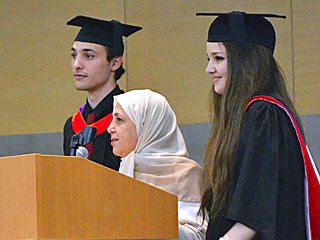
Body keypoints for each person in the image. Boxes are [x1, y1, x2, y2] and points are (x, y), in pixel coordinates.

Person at [196, 11, 320, 240]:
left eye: (219, 58)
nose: (209, 69)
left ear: (246, 61)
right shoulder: (247, 115)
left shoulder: (264, 114)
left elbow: (254, 209)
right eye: (209, 59)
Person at [107, 89, 208, 240]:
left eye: (119, 120)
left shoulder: (187, 173)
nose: (110, 128)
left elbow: (198, 236)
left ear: (146, 124)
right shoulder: (124, 168)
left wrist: (146, 217)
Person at [63, 15, 142, 170]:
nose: (77, 64)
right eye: (74, 55)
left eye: (88, 56)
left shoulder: (132, 118)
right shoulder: (72, 126)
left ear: (115, 63)